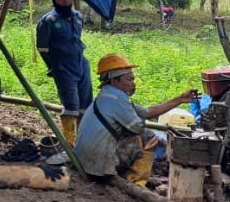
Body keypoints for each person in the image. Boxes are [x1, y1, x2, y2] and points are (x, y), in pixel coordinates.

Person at [74, 53, 196, 185]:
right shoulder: (118, 99)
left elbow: (148, 112)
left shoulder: (108, 95)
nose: (133, 84)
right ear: (115, 80)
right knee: (149, 137)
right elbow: (137, 127)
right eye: (129, 80)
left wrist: (180, 99)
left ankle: (128, 175)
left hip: (85, 160)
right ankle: (135, 182)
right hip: (96, 164)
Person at [36, 0, 92, 146]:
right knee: (71, 107)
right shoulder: (48, 22)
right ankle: (70, 144)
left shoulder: (78, 17)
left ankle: (83, 141)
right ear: (54, 0)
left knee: (85, 105)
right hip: (63, 67)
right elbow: (43, 49)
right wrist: (53, 68)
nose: (65, 1)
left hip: (81, 64)